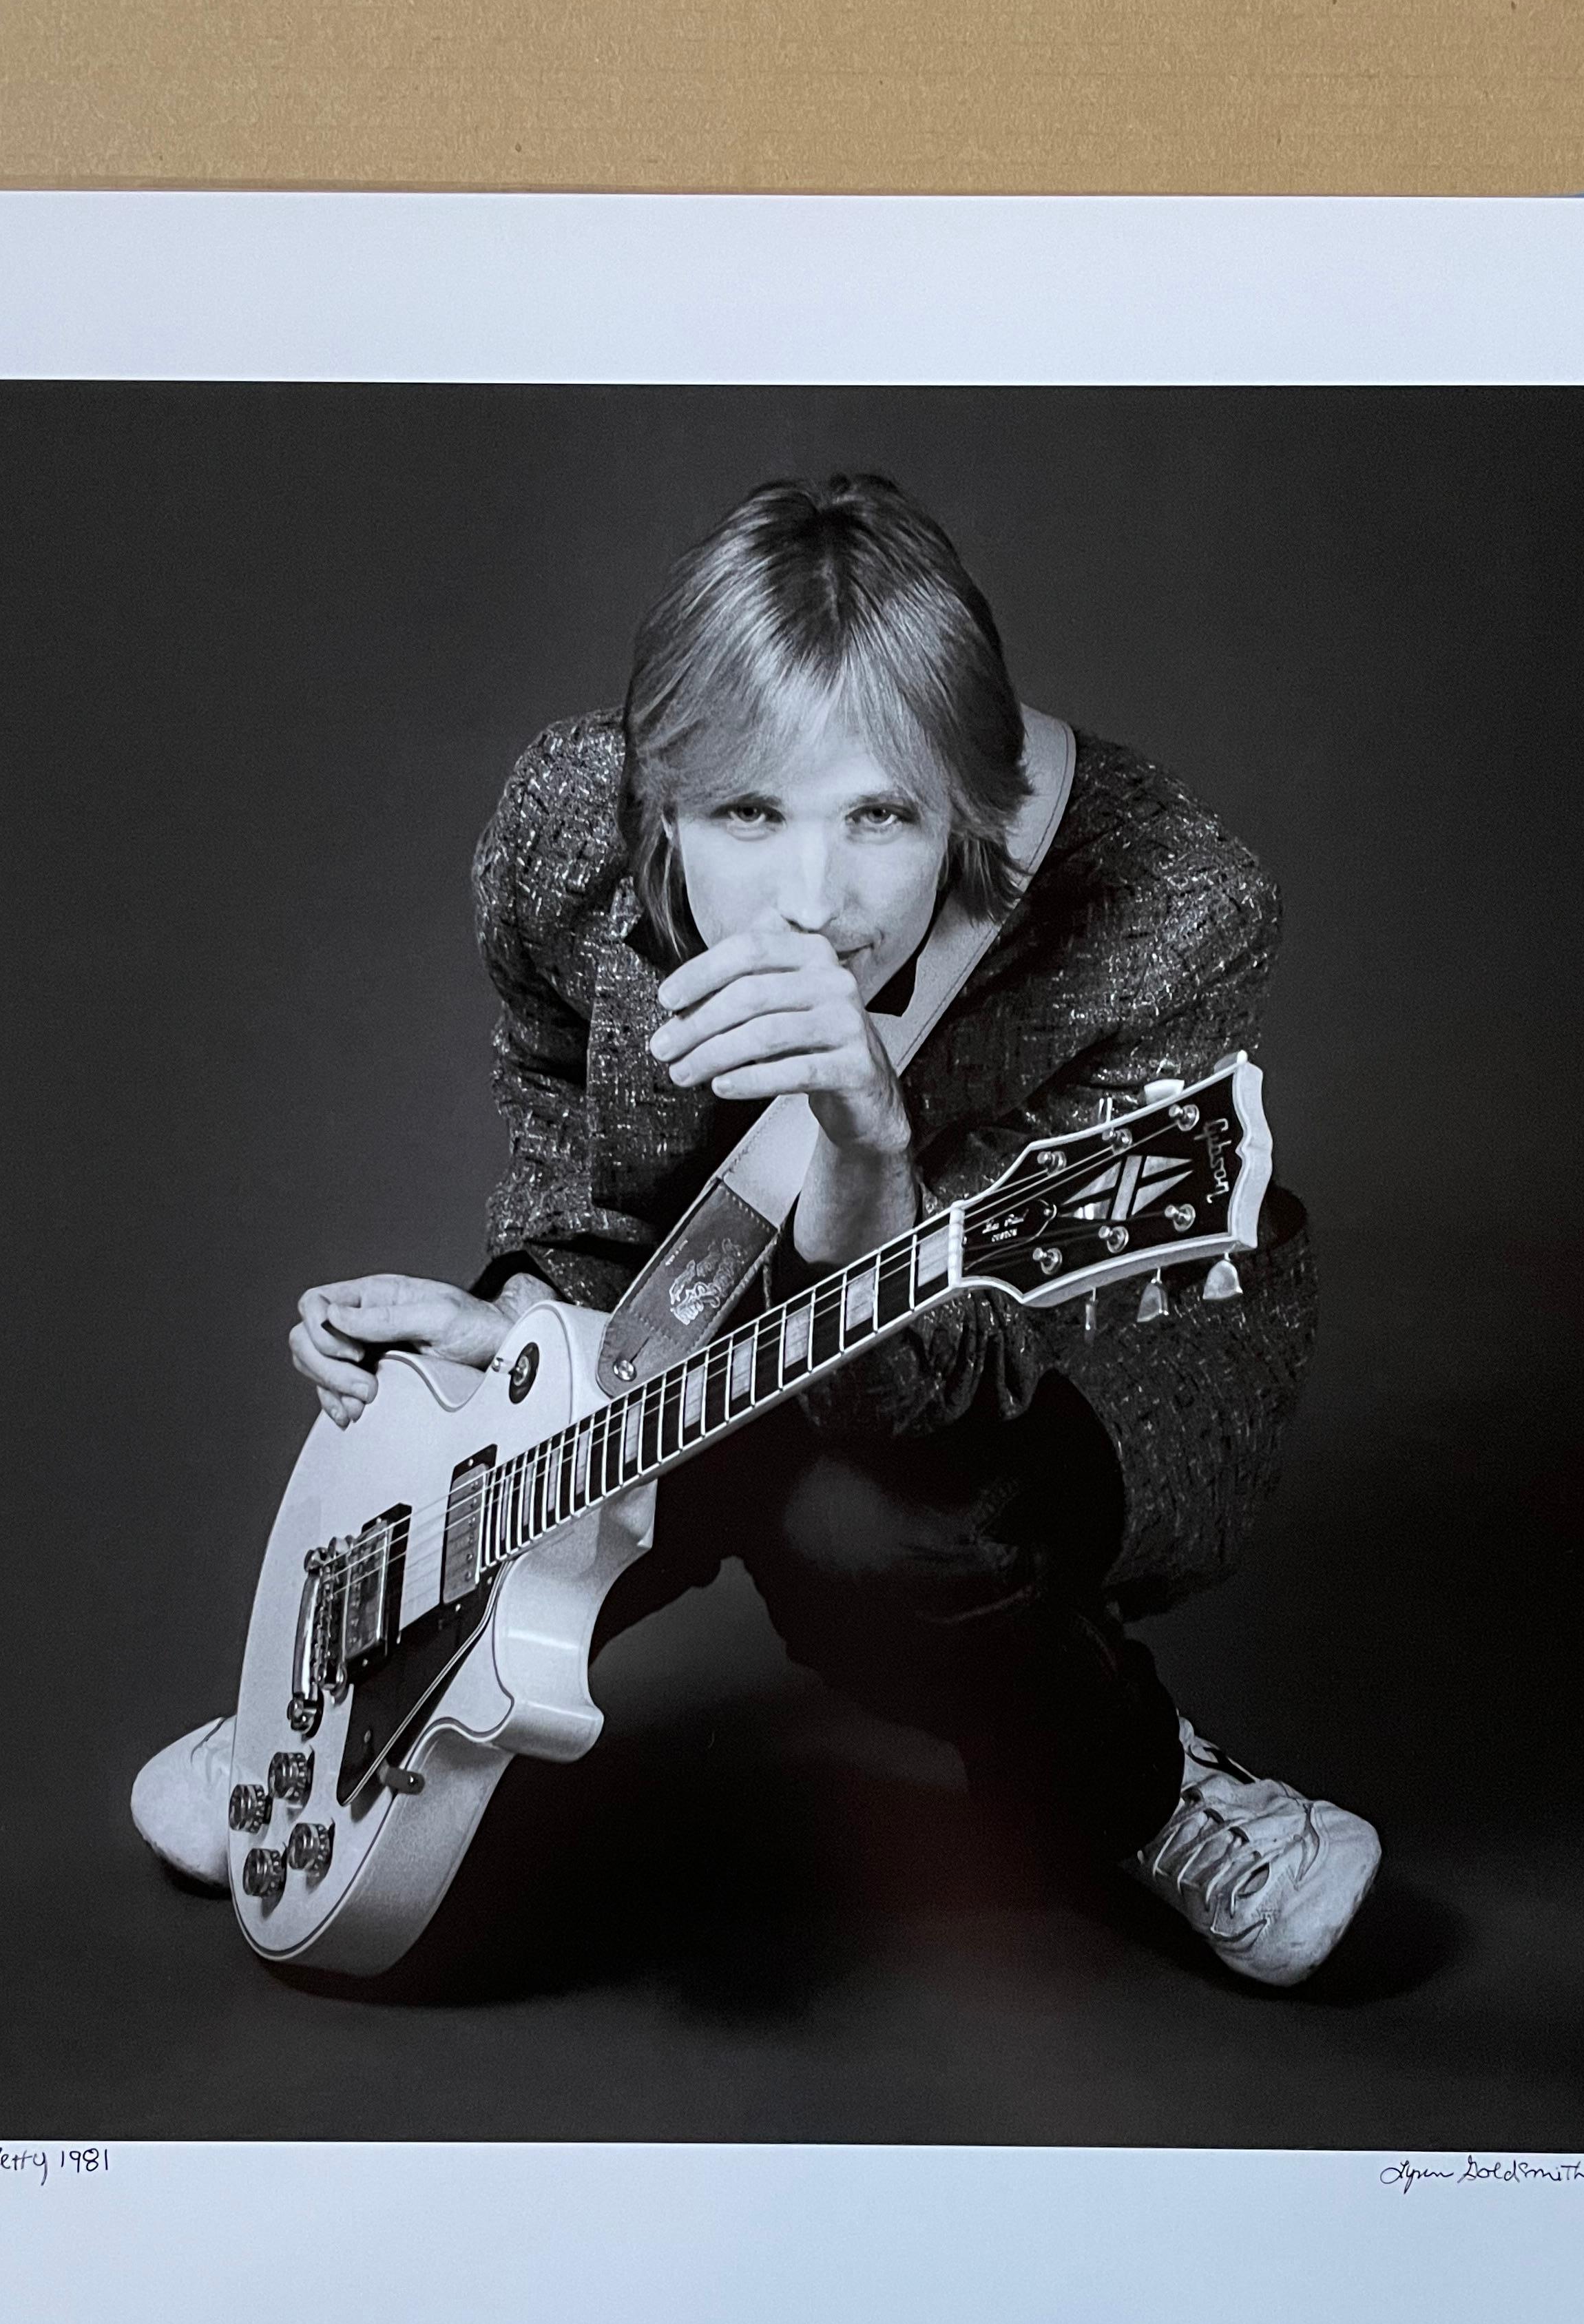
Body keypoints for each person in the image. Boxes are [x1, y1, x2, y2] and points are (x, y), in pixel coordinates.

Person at [132, 473, 1380, 1987]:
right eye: (744, 815)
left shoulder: (1168, 911)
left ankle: (1145, 1780)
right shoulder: (567, 836)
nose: (813, 900)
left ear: (968, 805)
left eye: (883, 816)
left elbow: (977, 1376)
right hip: (701, 1282)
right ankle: (315, 1706)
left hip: (1052, 1344)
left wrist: (870, 1140)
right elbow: (555, 1102)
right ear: (661, 799)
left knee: (864, 1530)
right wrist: (526, 1324)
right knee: (542, 1490)